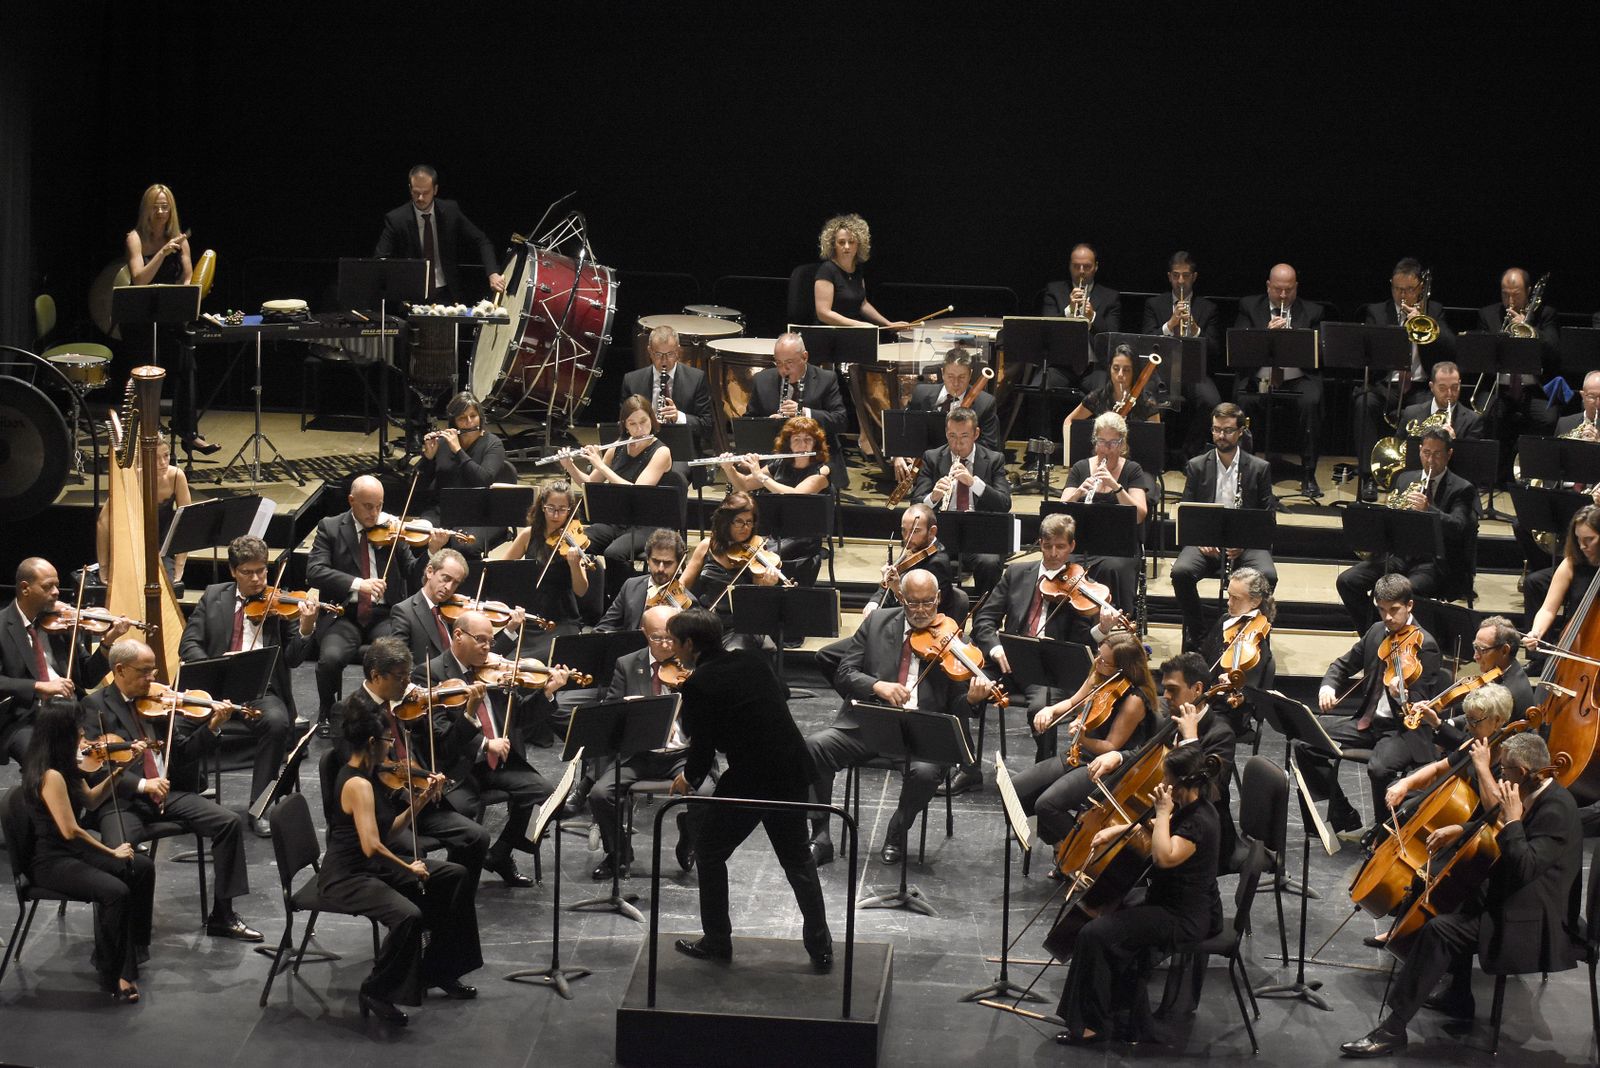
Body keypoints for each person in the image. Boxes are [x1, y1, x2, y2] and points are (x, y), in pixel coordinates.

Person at [1339, 732, 1583, 1058]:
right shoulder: (1531, 791)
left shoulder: (1557, 810)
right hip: (1517, 895)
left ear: (1524, 772)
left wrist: (1512, 820)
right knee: (1458, 893)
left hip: (1535, 918)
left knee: (1440, 930)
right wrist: (1461, 830)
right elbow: (1496, 828)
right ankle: (1458, 995)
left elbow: (1525, 866)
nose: (1501, 776)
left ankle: (1393, 1029)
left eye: (1506, 770)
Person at [666, 608, 833, 970]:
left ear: (690, 644)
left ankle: (717, 942)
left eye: (675, 643)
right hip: (791, 768)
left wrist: (689, 779)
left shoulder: (698, 684)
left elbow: (702, 744)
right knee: (798, 861)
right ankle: (821, 948)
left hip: (752, 776)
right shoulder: (751, 659)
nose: (672, 650)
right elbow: (781, 694)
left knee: (709, 852)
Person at [806, 570, 993, 865]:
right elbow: (844, 672)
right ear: (902, 599)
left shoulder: (954, 641)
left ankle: (898, 830)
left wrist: (971, 699)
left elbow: (957, 703)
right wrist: (876, 685)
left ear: (938, 599)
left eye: (928, 604)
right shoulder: (877, 623)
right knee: (815, 747)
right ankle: (820, 836)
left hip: (921, 732)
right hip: (869, 724)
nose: (920, 612)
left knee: (927, 772)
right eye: (913, 604)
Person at [82, 639, 262, 942]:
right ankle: (119, 939)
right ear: (120, 670)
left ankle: (223, 915)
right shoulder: (94, 706)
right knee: (122, 857)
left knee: (228, 822)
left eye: (154, 671)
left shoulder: (158, 704)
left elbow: (184, 751)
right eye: (145, 672)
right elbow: (93, 767)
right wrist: (141, 783)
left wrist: (212, 727)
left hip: (167, 794)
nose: (153, 679)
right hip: (121, 801)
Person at [319, 696, 482, 1025]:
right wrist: (409, 867)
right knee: (409, 916)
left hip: (371, 867)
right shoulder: (357, 783)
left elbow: (388, 829)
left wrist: (420, 800)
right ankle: (376, 990)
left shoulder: (372, 775)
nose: (391, 747)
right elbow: (371, 846)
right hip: (347, 876)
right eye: (388, 741)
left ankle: (440, 969)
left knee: (454, 875)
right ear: (370, 742)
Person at [1052, 744, 1223, 1046]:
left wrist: (1162, 811)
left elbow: (1164, 857)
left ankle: (1092, 1025)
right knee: (1107, 919)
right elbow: (1157, 827)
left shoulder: (1200, 821)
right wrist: (1118, 831)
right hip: (1167, 902)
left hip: (1183, 916)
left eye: (1165, 777)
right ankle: (1114, 1012)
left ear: (1180, 782)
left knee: (1095, 934)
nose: (1161, 782)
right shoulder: (1190, 806)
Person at [335, 637, 491, 919]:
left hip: (420, 797)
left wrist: (467, 714)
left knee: (476, 837)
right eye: (400, 677)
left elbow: (443, 747)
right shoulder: (350, 711)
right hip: (382, 812)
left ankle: (454, 910)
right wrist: (404, 777)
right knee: (415, 855)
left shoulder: (408, 704)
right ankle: (421, 918)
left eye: (409, 675)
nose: (407, 684)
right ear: (375, 675)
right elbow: (361, 771)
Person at [177, 534, 317, 835]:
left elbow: (293, 659)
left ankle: (260, 807)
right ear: (233, 571)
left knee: (278, 723)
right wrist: (218, 665)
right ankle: (184, 798)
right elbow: (188, 645)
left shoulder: (280, 602)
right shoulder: (213, 596)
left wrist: (305, 628)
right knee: (176, 724)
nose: (257, 579)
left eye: (262, 571)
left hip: (260, 692)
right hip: (217, 689)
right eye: (248, 572)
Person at [19, 699, 154, 1001]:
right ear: (61, 733)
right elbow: (71, 830)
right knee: (115, 892)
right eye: (77, 728)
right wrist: (111, 852)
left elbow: (92, 800)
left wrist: (122, 769)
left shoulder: (66, 767)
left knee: (142, 868)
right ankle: (113, 973)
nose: (83, 732)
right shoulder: (50, 775)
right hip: (52, 861)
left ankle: (133, 948)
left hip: (71, 852)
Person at [415, 609, 561, 887]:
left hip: (496, 765)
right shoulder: (430, 674)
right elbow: (439, 733)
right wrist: (484, 742)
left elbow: (519, 716)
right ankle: (458, 882)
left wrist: (547, 692)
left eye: (490, 642)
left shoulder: (494, 670)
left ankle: (501, 852)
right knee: (464, 821)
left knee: (544, 792)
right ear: (458, 636)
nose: (488, 648)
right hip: (457, 768)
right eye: (481, 640)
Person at [307, 474, 446, 737]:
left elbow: (413, 574)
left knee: (396, 656)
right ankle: (328, 712)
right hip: (343, 614)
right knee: (330, 659)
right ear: (351, 501)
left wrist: (431, 552)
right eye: (368, 506)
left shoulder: (392, 530)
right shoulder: (331, 527)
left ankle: (391, 708)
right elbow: (315, 571)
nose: (375, 513)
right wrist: (359, 584)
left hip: (383, 614)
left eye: (379, 506)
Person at [1307, 574, 1443, 840]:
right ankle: (1342, 811)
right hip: (1368, 722)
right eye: (1382, 610)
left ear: (1410, 606)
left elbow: (1421, 705)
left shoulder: (1426, 646)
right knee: (1307, 738)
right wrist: (1328, 687)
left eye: (1394, 610)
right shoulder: (1376, 633)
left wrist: (1400, 694)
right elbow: (1343, 665)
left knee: (1379, 768)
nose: (1388, 617)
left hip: (1402, 730)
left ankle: (1384, 831)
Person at [589, 604, 710, 879]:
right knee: (600, 794)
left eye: (671, 637)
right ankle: (619, 852)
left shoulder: (694, 664)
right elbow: (611, 711)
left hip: (682, 755)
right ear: (644, 633)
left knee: (707, 794)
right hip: (640, 755)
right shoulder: (628, 664)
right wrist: (642, 720)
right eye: (658, 638)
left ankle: (689, 834)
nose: (667, 644)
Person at [1008, 631, 1159, 849]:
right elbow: (1071, 703)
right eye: (1099, 655)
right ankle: (1060, 846)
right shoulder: (1099, 675)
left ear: (1123, 668)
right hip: (1079, 754)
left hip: (1106, 765)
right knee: (1018, 789)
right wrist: (1049, 710)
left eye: (1104, 661)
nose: (1097, 662)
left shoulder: (1134, 700)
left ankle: (1083, 854)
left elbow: (1110, 747)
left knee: (1047, 805)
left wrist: (1082, 737)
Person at [972, 513, 1102, 764]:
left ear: (1071, 546)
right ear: (1040, 543)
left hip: (1045, 670)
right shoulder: (1016, 573)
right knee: (964, 687)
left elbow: (1084, 641)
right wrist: (996, 649)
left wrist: (1102, 628)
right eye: (1048, 545)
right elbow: (984, 620)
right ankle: (969, 768)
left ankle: (1043, 766)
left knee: (1040, 710)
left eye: (1061, 547)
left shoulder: (1082, 587)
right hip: (1007, 660)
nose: (1053, 553)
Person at [1335, 427, 1478, 632]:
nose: (1430, 460)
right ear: (1419, 450)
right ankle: (1373, 636)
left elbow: (1459, 527)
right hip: (1399, 556)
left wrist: (1429, 510)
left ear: (1449, 455)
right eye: (1426, 453)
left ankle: (1396, 639)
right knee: (1347, 581)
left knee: (1401, 592)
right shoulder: (1405, 479)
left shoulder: (1462, 488)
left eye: (1437, 454)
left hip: (1434, 563)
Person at [1170, 402, 1277, 650]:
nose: (1221, 435)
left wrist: (1245, 542)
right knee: (1181, 572)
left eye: (1228, 430)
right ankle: (1199, 634)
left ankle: (1250, 631)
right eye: (1217, 429)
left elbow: (1267, 516)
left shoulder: (1260, 468)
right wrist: (1199, 538)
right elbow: (1187, 511)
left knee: (1268, 575)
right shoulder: (1197, 466)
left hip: (1246, 543)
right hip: (1205, 542)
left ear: (1240, 432)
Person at [1, 557, 127, 764]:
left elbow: (87, 678)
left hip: (72, 710)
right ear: (25, 588)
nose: (57, 592)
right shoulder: (2, 626)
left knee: (112, 749)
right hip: (26, 717)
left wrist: (107, 642)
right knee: (45, 763)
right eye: (47, 587)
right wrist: (40, 686)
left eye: (57, 586)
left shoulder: (62, 624)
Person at [1352, 258, 1459, 500]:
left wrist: (1426, 323)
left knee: (1421, 412)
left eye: (1409, 290)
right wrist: (1398, 331)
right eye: (1397, 289)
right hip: (1387, 385)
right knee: (1364, 402)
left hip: (1420, 387)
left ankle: (1413, 478)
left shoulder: (1434, 310)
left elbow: (1452, 348)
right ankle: (1368, 477)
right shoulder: (1377, 312)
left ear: (1420, 287)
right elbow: (1367, 353)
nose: (1402, 295)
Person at [125, 183, 214, 456]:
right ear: (147, 209)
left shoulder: (180, 239)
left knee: (187, 368)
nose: (161, 211)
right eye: (156, 206)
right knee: (146, 375)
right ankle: (145, 433)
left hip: (171, 316)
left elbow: (188, 278)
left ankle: (187, 432)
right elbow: (139, 279)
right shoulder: (135, 238)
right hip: (141, 318)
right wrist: (162, 253)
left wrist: (185, 296)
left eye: (166, 206)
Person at [1232, 263, 1327, 498]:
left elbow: (1321, 354)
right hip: (1260, 377)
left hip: (1296, 378)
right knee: (1243, 401)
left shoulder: (1313, 312)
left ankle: (1308, 473)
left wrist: (1292, 338)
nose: (1283, 295)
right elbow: (1238, 349)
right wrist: (1266, 335)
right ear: (1268, 286)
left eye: (1289, 290)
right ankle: (1242, 471)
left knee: (1311, 401)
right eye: (1277, 289)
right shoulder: (1249, 307)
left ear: (1296, 287)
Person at [909, 406, 1014, 600]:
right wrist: (933, 498)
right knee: (933, 561)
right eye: (952, 436)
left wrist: (973, 483)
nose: (957, 444)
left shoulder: (994, 460)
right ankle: (942, 613)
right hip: (942, 534)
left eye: (964, 436)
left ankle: (983, 616)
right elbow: (915, 504)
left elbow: (1004, 503)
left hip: (980, 536)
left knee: (989, 563)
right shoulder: (932, 457)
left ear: (976, 434)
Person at [559, 395, 675, 566]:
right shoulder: (617, 446)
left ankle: (618, 592)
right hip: (616, 520)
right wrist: (569, 465)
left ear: (652, 419)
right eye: (632, 424)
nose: (640, 429)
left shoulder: (661, 452)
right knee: (573, 543)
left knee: (614, 553)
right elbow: (589, 484)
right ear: (625, 425)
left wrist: (601, 465)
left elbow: (637, 491)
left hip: (647, 524)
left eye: (644, 421)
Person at [720, 415, 831, 587]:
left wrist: (760, 476)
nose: (802, 445)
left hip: (803, 537)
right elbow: (745, 484)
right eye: (797, 440)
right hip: (776, 532)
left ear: (815, 443)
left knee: (761, 556)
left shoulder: (821, 471)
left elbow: (796, 495)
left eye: (808, 439)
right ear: (789, 442)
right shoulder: (779, 464)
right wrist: (729, 469)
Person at [1058, 411, 1150, 616]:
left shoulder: (1132, 470)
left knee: (1112, 568)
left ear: (1122, 444)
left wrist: (1116, 487)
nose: (1106, 449)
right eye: (1101, 442)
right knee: (1065, 565)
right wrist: (1080, 491)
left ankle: (1115, 620)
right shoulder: (1081, 468)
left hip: (1119, 548)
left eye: (1113, 443)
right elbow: (1060, 511)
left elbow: (1139, 514)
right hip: (1082, 543)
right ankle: (1071, 619)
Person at [374, 164, 505, 304]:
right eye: (416, 192)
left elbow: (481, 240)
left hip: (446, 292)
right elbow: (380, 259)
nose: (420, 198)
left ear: (435, 189)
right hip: (411, 295)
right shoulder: (396, 219)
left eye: (426, 192)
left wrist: (492, 273)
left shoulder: (450, 211)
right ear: (410, 189)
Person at [504, 480, 604, 656]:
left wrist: (574, 565)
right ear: (542, 506)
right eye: (551, 508)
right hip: (531, 614)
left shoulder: (575, 539)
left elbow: (581, 591)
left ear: (570, 510)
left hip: (562, 618)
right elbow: (503, 569)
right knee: (511, 657)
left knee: (548, 657)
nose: (556, 515)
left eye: (562, 509)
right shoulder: (528, 535)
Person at [744, 332, 851, 489]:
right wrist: (769, 423)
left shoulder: (826, 379)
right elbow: (749, 422)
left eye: (789, 363)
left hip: (817, 460)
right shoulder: (762, 380)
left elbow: (840, 421)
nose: (783, 370)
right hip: (774, 460)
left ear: (805, 357)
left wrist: (803, 413)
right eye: (778, 363)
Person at [1142, 251, 1223, 454]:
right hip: (1161, 372)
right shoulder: (1154, 304)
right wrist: (1170, 324)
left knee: (1211, 402)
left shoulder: (1208, 308)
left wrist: (1195, 329)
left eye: (1186, 275)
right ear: (1169, 276)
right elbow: (1144, 341)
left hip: (1195, 374)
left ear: (1194, 277)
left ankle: (1190, 453)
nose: (1180, 281)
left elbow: (1215, 350)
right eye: (1176, 275)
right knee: (1147, 399)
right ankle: (1156, 454)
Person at [416, 392, 512, 556]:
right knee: (417, 537)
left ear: (480, 417)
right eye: (462, 418)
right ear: (454, 422)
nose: (469, 422)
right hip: (443, 511)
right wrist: (428, 459)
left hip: (480, 513)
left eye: (473, 416)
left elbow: (483, 480)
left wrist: (458, 451)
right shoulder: (442, 443)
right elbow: (418, 487)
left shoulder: (493, 444)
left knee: (464, 547)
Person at [680, 491, 784, 641]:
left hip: (741, 626)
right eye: (739, 521)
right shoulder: (706, 546)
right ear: (726, 521)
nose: (746, 527)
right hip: (708, 621)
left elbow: (758, 600)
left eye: (749, 522)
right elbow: (683, 585)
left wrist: (767, 585)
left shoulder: (756, 550)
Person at [95, 438, 192, 587]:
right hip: (133, 547)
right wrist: (104, 567)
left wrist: (180, 566)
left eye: (166, 456)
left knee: (165, 584)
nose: (163, 463)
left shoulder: (176, 477)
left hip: (162, 549)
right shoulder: (132, 479)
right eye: (156, 458)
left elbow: (185, 521)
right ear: (144, 459)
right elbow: (103, 522)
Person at [895, 347, 1001, 483]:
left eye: (962, 377)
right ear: (942, 373)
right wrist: (898, 454)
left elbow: (989, 447)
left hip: (962, 472)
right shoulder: (921, 393)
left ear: (970, 374)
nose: (956, 383)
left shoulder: (985, 403)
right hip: (924, 470)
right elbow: (905, 429)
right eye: (950, 376)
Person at [1198, 567, 1277, 734]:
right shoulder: (1226, 620)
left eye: (1236, 598)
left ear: (1255, 602)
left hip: (1231, 711)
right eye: (1229, 596)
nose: (1229, 603)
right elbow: (1204, 658)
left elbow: (1251, 691)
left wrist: (1234, 685)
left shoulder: (1258, 638)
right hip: (1207, 697)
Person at [621, 324, 716, 449]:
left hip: (681, 450)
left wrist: (678, 417)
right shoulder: (632, 380)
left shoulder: (696, 379)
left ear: (678, 352)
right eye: (658, 354)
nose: (664, 361)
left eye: (670, 354)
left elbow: (707, 426)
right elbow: (623, 424)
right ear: (650, 351)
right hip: (642, 448)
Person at [862, 502, 962, 619]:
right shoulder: (914, 548)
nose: (907, 537)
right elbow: (888, 582)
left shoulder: (937, 563)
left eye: (915, 531)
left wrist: (897, 589)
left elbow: (922, 613)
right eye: (904, 530)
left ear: (932, 531)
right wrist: (874, 602)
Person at [1042, 243, 1122, 388]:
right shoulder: (1054, 291)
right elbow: (1046, 328)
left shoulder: (1110, 296)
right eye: (1076, 266)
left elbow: (1113, 337)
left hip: (1094, 367)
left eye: (1087, 266)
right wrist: (1069, 311)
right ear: (1069, 266)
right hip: (1061, 366)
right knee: (1040, 387)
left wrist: (1092, 317)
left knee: (1103, 389)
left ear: (1096, 267)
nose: (1081, 271)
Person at [811, 213, 909, 330]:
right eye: (841, 242)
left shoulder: (857, 269)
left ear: (858, 245)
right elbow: (823, 313)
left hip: (853, 331)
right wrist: (860, 325)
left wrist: (888, 324)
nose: (847, 246)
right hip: (830, 333)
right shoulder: (826, 270)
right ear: (833, 245)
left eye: (851, 242)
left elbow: (862, 304)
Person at [1521, 504, 1600, 649]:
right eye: (1578, 539)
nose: (1582, 546)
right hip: (1576, 642)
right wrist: (1536, 632)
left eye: (1589, 539)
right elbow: (1548, 609)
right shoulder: (1571, 563)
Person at [597, 528, 698, 632]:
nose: (660, 569)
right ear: (648, 560)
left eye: (667, 563)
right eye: (656, 561)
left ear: (678, 564)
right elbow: (605, 626)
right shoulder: (631, 586)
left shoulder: (688, 602)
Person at [1062, 344, 1163, 427]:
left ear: (1134, 372)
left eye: (1126, 370)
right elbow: (1068, 422)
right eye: (1115, 368)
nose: (1120, 375)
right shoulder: (1098, 397)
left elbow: (1155, 438)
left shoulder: (1147, 402)